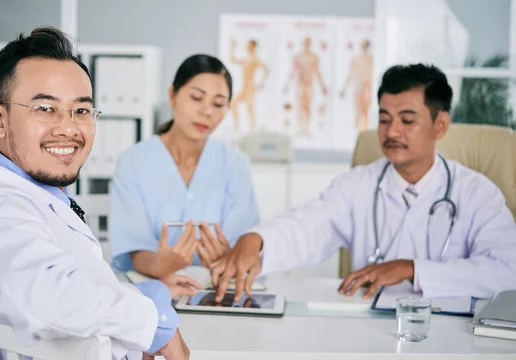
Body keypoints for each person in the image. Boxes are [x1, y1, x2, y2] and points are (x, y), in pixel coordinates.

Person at [0, 27, 196, 360]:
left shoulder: (38, 196)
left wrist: (149, 294)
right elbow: (47, 296)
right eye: (45, 109)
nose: (68, 128)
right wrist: (156, 324)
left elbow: (73, 283)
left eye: (81, 110)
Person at [211, 63, 516, 303]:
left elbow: (507, 272)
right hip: (369, 328)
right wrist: (257, 240)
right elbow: (311, 224)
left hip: (451, 336)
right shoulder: (359, 184)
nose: (392, 131)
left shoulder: (477, 193)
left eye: (407, 120)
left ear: (440, 125)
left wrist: (413, 269)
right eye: (384, 119)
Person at [110, 54, 260, 279]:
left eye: (218, 104)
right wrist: (161, 265)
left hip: (214, 289)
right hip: (152, 289)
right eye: (196, 98)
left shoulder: (235, 164)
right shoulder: (134, 162)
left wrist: (227, 257)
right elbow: (134, 248)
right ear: (172, 95)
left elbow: (243, 242)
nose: (207, 111)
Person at [283, 37, 328, 135]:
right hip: (299, 84)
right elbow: (293, 72)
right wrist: (287, 85)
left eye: (308, 43)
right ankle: (300, 128)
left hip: (309, 84)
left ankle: (306, 128)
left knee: (307, 106)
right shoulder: (297, 57)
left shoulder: (314, 57)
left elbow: (317, 72)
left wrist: (322, 86)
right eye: (305, 42)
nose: (307, 44)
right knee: (300, 105)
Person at [229, 39, 269, 131]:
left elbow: (266, 69)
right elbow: (233, 60)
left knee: (250, 108)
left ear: (253, 47)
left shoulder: (255, 59)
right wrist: (232, 47)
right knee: (234, 103)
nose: (247, 47)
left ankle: (253, 128)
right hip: (245, 87)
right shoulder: (247, 59)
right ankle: (237, 126)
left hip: (250, 87)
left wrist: (261, 83)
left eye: (249, 45)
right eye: (247, 45)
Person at [341, 39, 374, 132]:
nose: (365, 47)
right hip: (358, 88)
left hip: (367, 89)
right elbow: (350, 74)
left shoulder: (371, 59)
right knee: (358, 110)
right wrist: (344, 88)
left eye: (366, 45)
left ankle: (364, 131)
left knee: (365, 111)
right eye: (363, 45)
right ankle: (358, 132)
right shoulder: (356, 59)